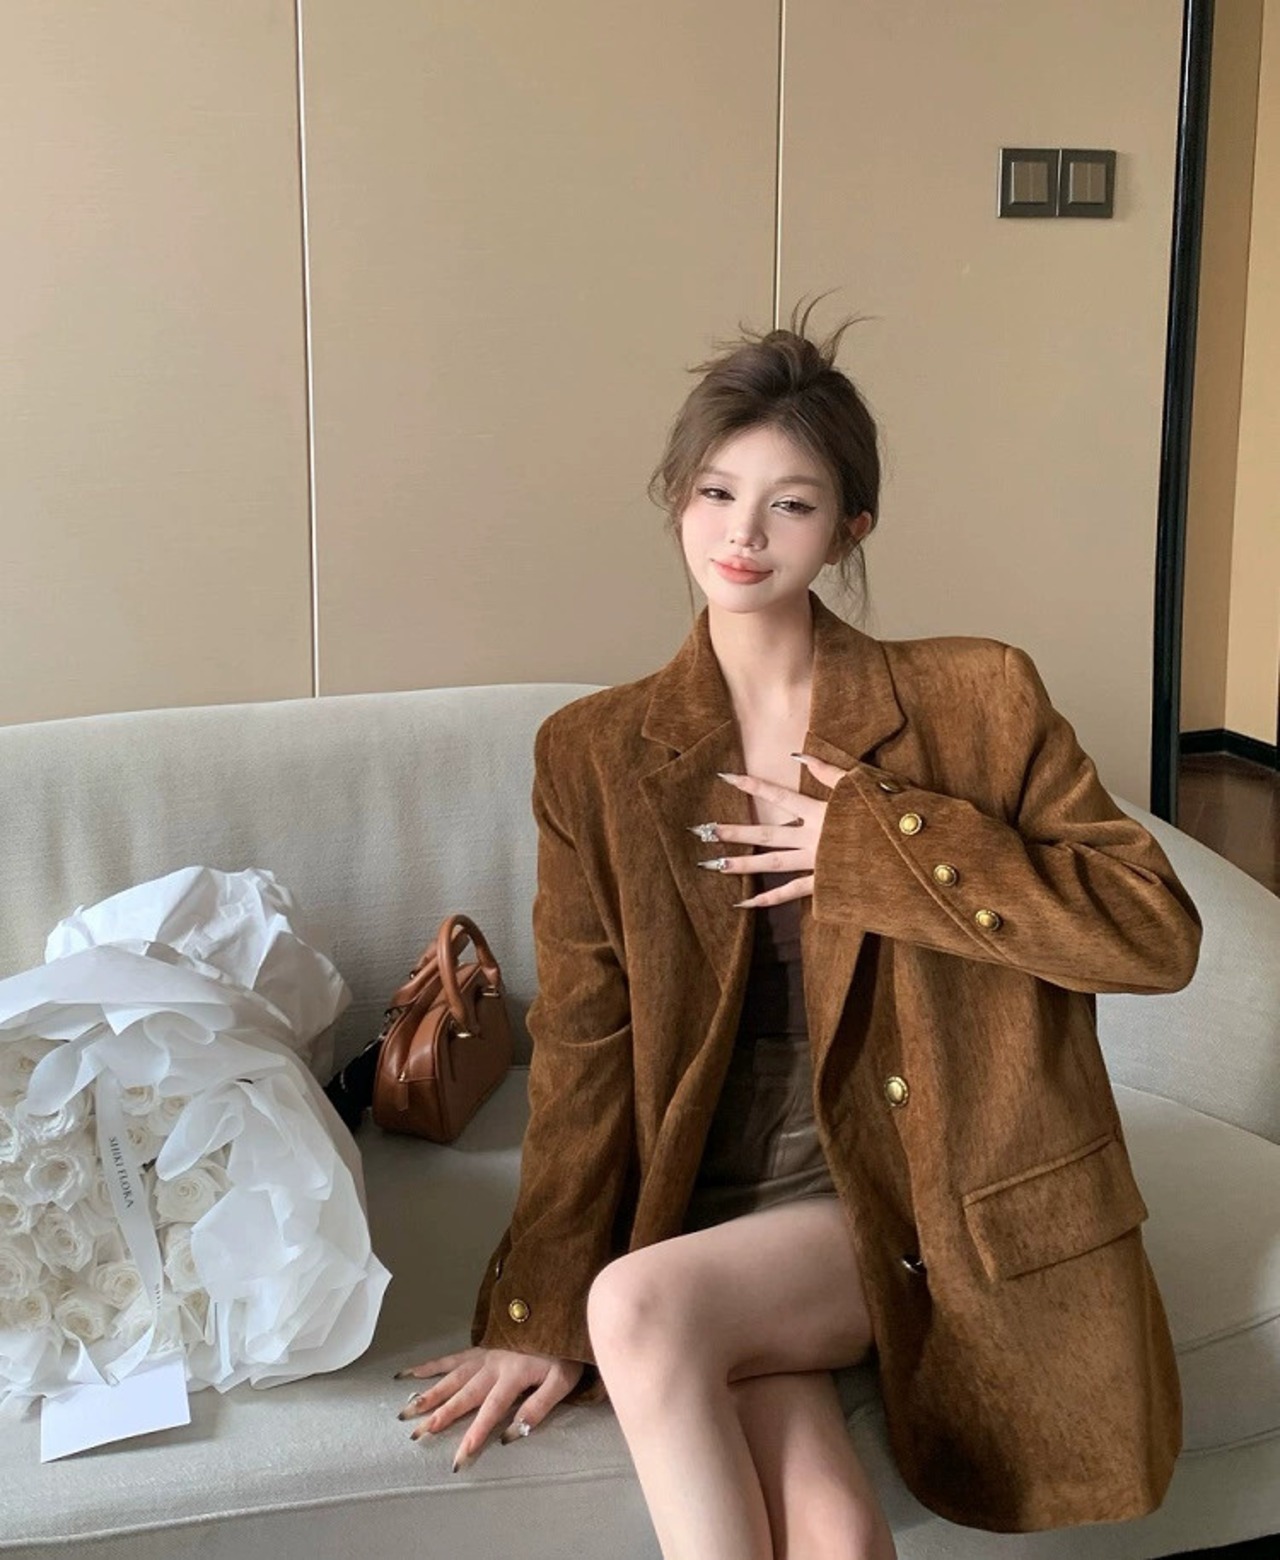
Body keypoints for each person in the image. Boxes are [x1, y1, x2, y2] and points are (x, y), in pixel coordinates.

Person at [393, 296, 1202, 1558]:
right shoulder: (593, 754)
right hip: (708, 1193)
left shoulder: (974, 696)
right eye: (715, 493)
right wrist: (531, 1304)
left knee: (639, 1307)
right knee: (831, 1536)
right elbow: (586, 1050)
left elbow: (1152, 934)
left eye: (791, 503)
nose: (742, 534)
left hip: (906, 1184)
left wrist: (882, 850)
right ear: (675, 500)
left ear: (847, 529)